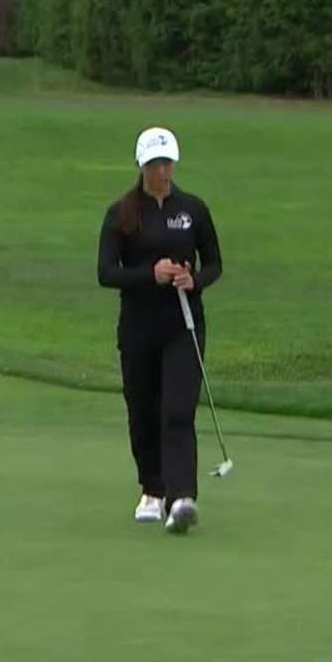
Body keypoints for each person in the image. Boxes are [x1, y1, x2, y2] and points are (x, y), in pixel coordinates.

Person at [97, 127, 223, 534]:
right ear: (141, 166)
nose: (162, 170)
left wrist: (194, 280)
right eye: (154, 164)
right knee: (143, 411)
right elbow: (106, 273)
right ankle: (152, 489)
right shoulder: (122, 214)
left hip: (182, 325)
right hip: (138, 327)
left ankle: (181, 497)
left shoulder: (193, 209)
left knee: (178, 411)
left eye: (167, 163)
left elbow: (214, 264)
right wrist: (149, 275)